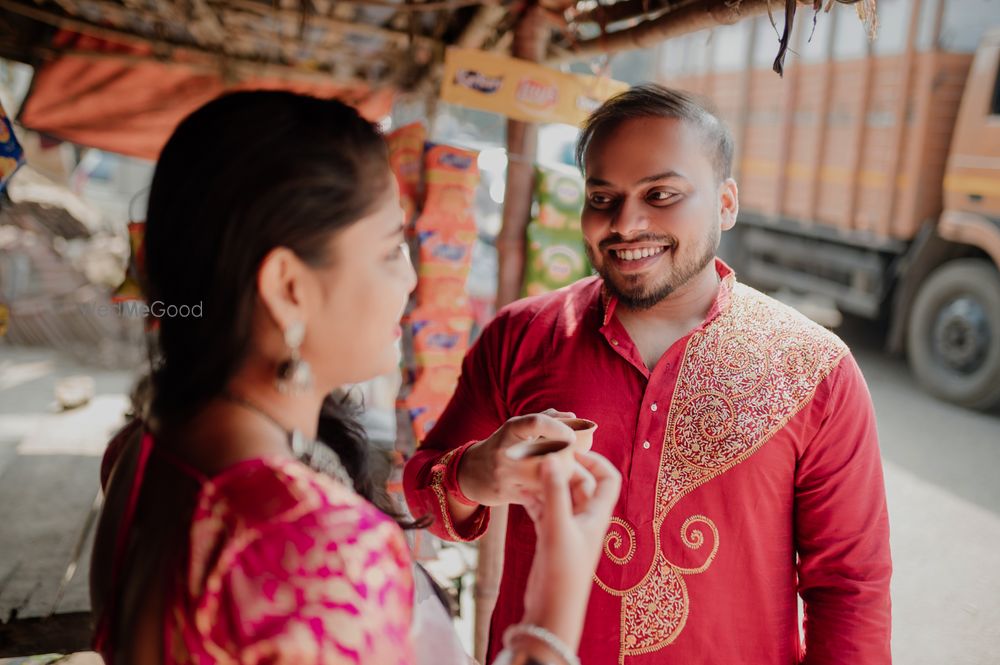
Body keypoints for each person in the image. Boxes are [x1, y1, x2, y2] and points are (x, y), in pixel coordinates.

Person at [89, 90, 621, 665]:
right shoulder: (316, 544)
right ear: (289, 288)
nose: (412, 278)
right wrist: (554, 607)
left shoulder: (142, 452)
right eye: (392, 248)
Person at [404, 84, 893, 664]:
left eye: (661, 194)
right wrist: (473, 475)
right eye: (603, 197)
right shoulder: (522, 334)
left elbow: (851, 588)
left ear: (727, 203)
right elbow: (421, 497)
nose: (627, 223)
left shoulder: (816, 369)